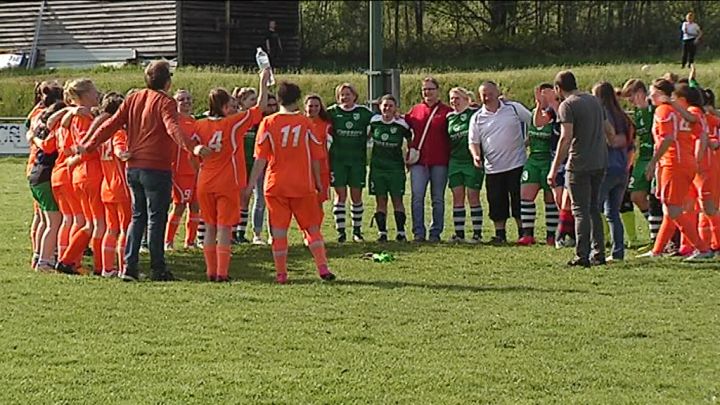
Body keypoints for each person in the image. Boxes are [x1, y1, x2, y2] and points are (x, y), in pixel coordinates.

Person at [80, 61, 200, 282]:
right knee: (156, 218)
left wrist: (88, 145)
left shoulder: (133, 98)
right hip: (156, 167)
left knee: (137, 218)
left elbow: (111, 124)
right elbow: (173, 128)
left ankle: (130, 267)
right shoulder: (165, 101)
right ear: (168, 81)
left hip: (133, 168)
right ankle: (158, 268)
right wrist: (193, 147)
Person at [244, 81, 336, 284]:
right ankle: (322, 268)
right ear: (297, 99)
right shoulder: (306, 123)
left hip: (275, 185)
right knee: (312, 229)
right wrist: (319, 182)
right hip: (302, 185)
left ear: (278, 99)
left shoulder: (268, 122)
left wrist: (250, 186)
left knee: (278, 232)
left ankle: (281, 274)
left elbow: (260, 158)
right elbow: (315, 157)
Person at [192, 85, 263, 282]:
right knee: (224, 227)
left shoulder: (199, 124)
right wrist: (263, 81)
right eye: (230, 104)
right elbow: (260, 107)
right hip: (227, 181)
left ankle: (210, 271)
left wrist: (197, 150)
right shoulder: (232, 123)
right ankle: (222, 272)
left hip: (205, 180)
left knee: (209, 226)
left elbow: (190, 145)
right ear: (224, 107)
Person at [637, 80, 712, 260]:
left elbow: (667, 138)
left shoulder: (663, 111)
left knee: (673, 209)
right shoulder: (680, 111)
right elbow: (698, 130)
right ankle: (657, 250)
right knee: (670, 210)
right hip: (682, 163)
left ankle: (703, 249)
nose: (650, 97)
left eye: (653, 93)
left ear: (663, 94)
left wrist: (653, 162)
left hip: (673, 164)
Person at [548, 70, 615, 267]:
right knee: (594, 208)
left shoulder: (567, 105)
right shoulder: (594, 101)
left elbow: (566, 137)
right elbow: (609, 130)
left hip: (579, 163)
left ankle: (581, 255)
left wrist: (554, 168)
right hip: (599, 161)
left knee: (580, 210)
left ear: (558, 88)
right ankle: (599, 252)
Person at [468, 81, 532, 244]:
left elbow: (535, 122)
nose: (486, 97)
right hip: (493, 167)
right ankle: (500, 234)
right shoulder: (477, 117)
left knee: (518, 200)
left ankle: (522, 233)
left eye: (489, 93)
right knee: (496, 202)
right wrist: (476, 156)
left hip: (517, 163)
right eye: (483, 94)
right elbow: (473, 141)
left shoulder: (514, 108)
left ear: (497, 93)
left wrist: (529, 141)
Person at [55, 79, 106, 275]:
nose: (97, 95)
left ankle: (67, 260)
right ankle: (101, 267)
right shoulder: (84, 117)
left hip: (79, 175)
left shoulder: (76, 116)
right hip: (90, 173)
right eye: (94, 92)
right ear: (83, 96)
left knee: (88, 223)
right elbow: (88, 148)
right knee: (98, 223)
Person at [405, 77, 452, 243]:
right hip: (419, 162)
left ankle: (435, 232)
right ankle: (418, 232)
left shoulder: (447, 111)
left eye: (431, 89)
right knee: (417, 197)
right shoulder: (415, 110)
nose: (428, 92)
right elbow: (403, 127)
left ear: (438, 91)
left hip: (440, 161)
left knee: (437, 198)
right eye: (425, 89)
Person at [327, 83, 375, 242]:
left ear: (354, 95)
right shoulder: (332, 112)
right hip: (338, 161)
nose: (345, 97)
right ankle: (341, 232)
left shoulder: (364, 113)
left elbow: (377, 123)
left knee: (356, 196)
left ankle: (357, 231)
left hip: (357, 161)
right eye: (342, 95)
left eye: (348, 94)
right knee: (340, 196)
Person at [593, 81, 632, 261]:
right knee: (613, 212)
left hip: (607, 166)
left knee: (594, 208)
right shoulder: (623, 116)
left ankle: (597, 248)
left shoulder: (603, 114)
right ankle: (618, 251)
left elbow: (610, 140)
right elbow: (628, 141)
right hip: (622, 168)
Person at [519, 83, 560, 246]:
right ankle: (528, 233)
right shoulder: (534, 114)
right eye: (539, 94)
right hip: (533, 160)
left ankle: (551, 234)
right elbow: (534, 127)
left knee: (550, 199)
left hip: (549, 160)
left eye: (544, 94)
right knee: (526, 196)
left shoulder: (556, 114)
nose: (541, 97)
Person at [26, 101, 66, 271]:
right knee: (54, 222)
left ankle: (38, 256)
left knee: (44, 220)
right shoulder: (53, 130)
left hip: (35, 175)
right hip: (44, 177)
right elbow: (49, 148)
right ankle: (45, 261)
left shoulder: (42, 128)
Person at [621, 79, 660, 247]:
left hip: (655, 156)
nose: (629, 101)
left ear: (640, 93)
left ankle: (660, 237)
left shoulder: (655, 109)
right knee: (636, 195)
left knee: (656, 197)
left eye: (630, 96)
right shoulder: (637, 111)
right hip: (642, 157)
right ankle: (655, 230)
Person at [96, 93, 131, 277]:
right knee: (125, 229)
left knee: (111, 229)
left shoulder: (102, 134)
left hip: (106, 186)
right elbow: (120, 151)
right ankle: (124, 267)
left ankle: (107, 268)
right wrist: (130, 154)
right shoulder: (118, 132)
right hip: (121, 187)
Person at [234, 89, 275, 244]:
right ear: (242, 101)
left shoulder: (258, 120)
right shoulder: (237, 118)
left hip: (257, 164)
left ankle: (247, 233)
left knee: (258, 197)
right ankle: (235, 232)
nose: (255, 101)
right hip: (240, 164)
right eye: (251, 99)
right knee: (240, 199)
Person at [368, 94, 411, 242]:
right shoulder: (374, 121)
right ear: (380, 107)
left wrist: (410, 156)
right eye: (384, 105)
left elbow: (412, 139)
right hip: (377, 168)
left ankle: (401, 232)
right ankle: (382, 232)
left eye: (390, 106)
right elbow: (366, 136)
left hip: (396, 168)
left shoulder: (401, 124)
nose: (387, 108)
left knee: (397, 199)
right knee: (380, 200)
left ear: (395, 108)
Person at [165, 90, 201, 250]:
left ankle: (190, 241)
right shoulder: (173, 121)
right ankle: (168, 241)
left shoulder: (196, 122)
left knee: (195, 206)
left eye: (188, 99)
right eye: (181, 99)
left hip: (196, 171)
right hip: (180, 171)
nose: (186, 102)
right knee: (179, 206)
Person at [446, 87, 483, 243]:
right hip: (455, 161)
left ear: (466, 99)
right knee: (457, 198)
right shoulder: (449, 117)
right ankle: (459, 234)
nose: (454, 101)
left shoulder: (474, 115)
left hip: (471, 161)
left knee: (473, 197)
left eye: (457, 98)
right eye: (452, 99)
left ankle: (477, 234)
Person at [304, 94, 333, 225]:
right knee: (305, 203)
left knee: (318, 201)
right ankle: (307, 231)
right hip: (303, 168)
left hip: (321, 168)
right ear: (305, 107)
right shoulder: (300, 122)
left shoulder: (326, 124)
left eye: (316, 106)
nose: (313, 109)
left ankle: (316, 231)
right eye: (310, 106)